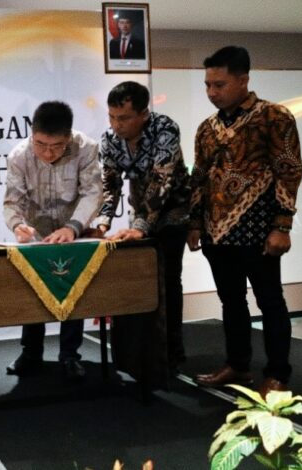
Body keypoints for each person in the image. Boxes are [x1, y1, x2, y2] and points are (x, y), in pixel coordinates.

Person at [188, 46, 302, 398]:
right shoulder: (207, 128)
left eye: (219, 84)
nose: (212, 92)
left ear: (243, 80)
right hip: (216, 232)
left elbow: (288, 170)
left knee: (270, 301)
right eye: (208, 85)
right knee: (231, 301)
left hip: (259, 229)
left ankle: (278, 375)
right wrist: (195, 223)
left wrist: (282, 225)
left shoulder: (274, 117)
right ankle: (238, 365)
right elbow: (199, 176)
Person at [3, 101, 102, 381]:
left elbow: (93, 193)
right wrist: (18, 225)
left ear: (68, 137)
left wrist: (73, 227)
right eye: (41, 145)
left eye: (56, 146)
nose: (47, 153)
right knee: (33, 291)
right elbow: (12, 201)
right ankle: (30, 352)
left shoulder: (86, 148)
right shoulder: (19, 156)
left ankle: (70, 355)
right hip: (37, 233)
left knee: (73, 289)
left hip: (73, 231)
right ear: (32, 134)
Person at [97, 81, 191, 375]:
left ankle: (172, 354)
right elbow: (110, 184)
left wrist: (141, 225)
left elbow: (162, 182)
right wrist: (102, 223)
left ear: (144, 114)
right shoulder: (109, 139)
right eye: (112, 117)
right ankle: (143, 354)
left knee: (168, 282)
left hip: (173, 212)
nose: (116, 125)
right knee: (140, 283)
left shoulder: (165, 129)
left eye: (124, 118)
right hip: (140, 215)